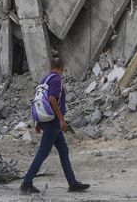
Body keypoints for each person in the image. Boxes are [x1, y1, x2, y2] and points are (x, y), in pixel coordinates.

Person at [20, 58, 90, 195]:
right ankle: (26, 183)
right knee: (43, 153)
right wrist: (62, 120)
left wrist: (38, 122)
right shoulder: (57, 79)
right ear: (61, 68)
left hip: (48, 122)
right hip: (53, 123)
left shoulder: (45, 80)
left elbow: (39, 101)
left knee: (63, 151)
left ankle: (73, 183)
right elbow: (52, 99)